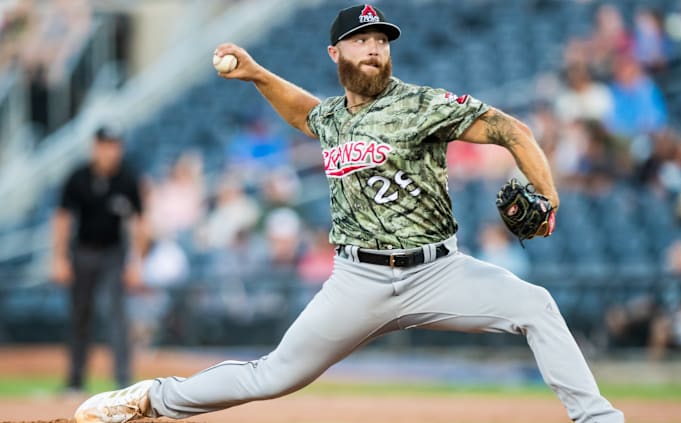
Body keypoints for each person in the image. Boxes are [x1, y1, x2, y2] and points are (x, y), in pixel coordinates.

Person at [73, 5, 624, 423]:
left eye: (380, 40)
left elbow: (514, 131)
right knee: (273, 376)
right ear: (335, 53)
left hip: (439, 271)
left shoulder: (422, 104)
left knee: (536, 305)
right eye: (360, 40)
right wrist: (259, 74)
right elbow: (305, 113)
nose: (374, 48)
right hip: (357, 279)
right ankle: (150, 398)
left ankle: (597, 418)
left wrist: (546, 198)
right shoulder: (333, 119)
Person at [51, 125, 145, 392]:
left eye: (114, 145)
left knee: (118, 316)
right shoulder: (78, 177)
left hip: (115, 254)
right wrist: (58, 257)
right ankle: (75, 380)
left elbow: (139, 221)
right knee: (80, 315)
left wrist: (136, 262)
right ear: (95, 147)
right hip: (82, 252)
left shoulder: (127, 177)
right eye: (105, 145)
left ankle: (123, 379)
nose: (109, 151)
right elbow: (62, 218)